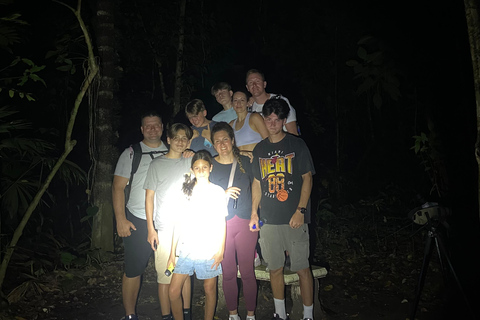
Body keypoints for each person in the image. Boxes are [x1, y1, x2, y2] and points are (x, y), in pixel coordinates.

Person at [249, 97, 316, 320]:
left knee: (302, 269)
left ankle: (308, 315)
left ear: (284, 120)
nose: (272, 124)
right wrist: (253, 213)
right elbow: (257, 183)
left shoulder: (296, 145)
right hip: (268, 220)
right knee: (274, 268)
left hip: (294, 218)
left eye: (277, 120)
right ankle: (280, 314)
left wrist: (301, 210)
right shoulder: (260, 149)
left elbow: (307, 179)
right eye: (268, 119)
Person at [112, 111, 168, 320]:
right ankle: (130, 315)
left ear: (163, 127)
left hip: (166, 220)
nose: (153, 129)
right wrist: (121, 219)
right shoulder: (131, 153)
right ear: (142, 129)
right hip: (137, 219)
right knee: (134, 269)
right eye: (148, 126)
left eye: (156, 125)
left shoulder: (174, 150)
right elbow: (118, 187)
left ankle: (170, 312)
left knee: (170, 267)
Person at [168, 150, 227, 320]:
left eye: (204, 167)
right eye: (197, 167)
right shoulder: (186, 191)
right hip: (187, 248)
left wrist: (221, 249)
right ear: (192, 169)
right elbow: (177, 221)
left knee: (209, 289)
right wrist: (172, 253)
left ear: (211, 168)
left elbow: (221, 222)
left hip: (209, 248)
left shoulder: (217, 191)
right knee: (173, 291)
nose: (201, 171)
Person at [143, 123, 194, 320]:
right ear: (169, 140)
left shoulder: (190, 161)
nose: (181, 141)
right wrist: (151, 229)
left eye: (185, 138)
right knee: (164, 276)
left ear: (189, 141)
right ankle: (167, 316)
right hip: (164, 228)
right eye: (177, 138)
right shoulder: (156, 164)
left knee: (184, 274)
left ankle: (186, 313)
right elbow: (149, 197)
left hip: (187, 228)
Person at [209, 122, 258, 320]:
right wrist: (222, 194)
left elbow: (257, 186)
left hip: (246, 222)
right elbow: (202, 196)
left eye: (225, 139)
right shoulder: (209, 166)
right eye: (217, 141)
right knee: (228, 272)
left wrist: (255, 212)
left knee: (247, 271)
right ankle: (232, 315)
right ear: (213, 144)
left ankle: (251, 315)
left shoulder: (246, 162)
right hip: (222, 226)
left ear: (232, 140)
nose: (222, 144)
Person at [245, 69, 299, 136]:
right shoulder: (249, 109)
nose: (254, 85)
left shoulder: (280, 100)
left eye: (257, 81)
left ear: (264, 84)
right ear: (247, 87)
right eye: (250, 82)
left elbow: (293, 132)